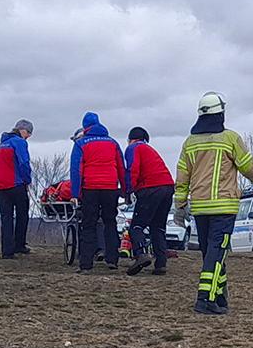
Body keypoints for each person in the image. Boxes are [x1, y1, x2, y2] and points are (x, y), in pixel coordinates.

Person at [173, 91, 253, 315]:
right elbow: (248, 167)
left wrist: (180, 204)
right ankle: (204, 298)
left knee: (211, 254)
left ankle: (219, 297)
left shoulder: (189, 143)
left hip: (200, 207)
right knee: (217, 253)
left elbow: (182, 175)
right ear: (221, 114)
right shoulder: (230, 139)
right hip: (224, 207)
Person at [68, 112, 128, 271]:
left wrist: (75, 193)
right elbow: (121, 167)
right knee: (110, 222)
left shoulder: (81, 143)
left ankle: (86, 264)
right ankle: (112, 260)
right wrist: (125, 189)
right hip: (110, 187)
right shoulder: (113, 143)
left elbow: (76, 169)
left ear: (85, 127)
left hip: (90, 188)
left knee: (88, 224)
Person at [123, 126, 176, 277]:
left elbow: (133, 169)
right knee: (157, 227)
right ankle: (161, 263)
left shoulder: (133, 148)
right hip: (167, 186)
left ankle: (141, 254)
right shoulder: (150, 150)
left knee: (136, 226)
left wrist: (129, 190)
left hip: (150, 188)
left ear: (131, 139)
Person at [0, 120, 34, 258]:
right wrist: (27, 180)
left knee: (6, 218)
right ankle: (19, 245)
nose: (28, 136)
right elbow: (24, 162)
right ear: (23, 130)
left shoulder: (2, 143)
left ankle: (7, 251)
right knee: (22, 214)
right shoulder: (19, 142)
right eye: (28, 133)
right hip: (15, 184)